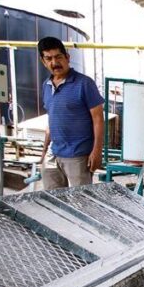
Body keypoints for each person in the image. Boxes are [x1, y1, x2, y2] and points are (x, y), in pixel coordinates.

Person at [38, 36, 105, 190]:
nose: (54, 63)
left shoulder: (84, 84)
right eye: (49, 58)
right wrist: (44, 151)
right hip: (53, 154)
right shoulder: (46, 86)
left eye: (58, 57)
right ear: (43, 61)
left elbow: (98, 119)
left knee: (81, 199)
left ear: (67, 57)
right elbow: (51, 120)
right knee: (53, 199)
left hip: (78, 155)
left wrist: (97, 151)